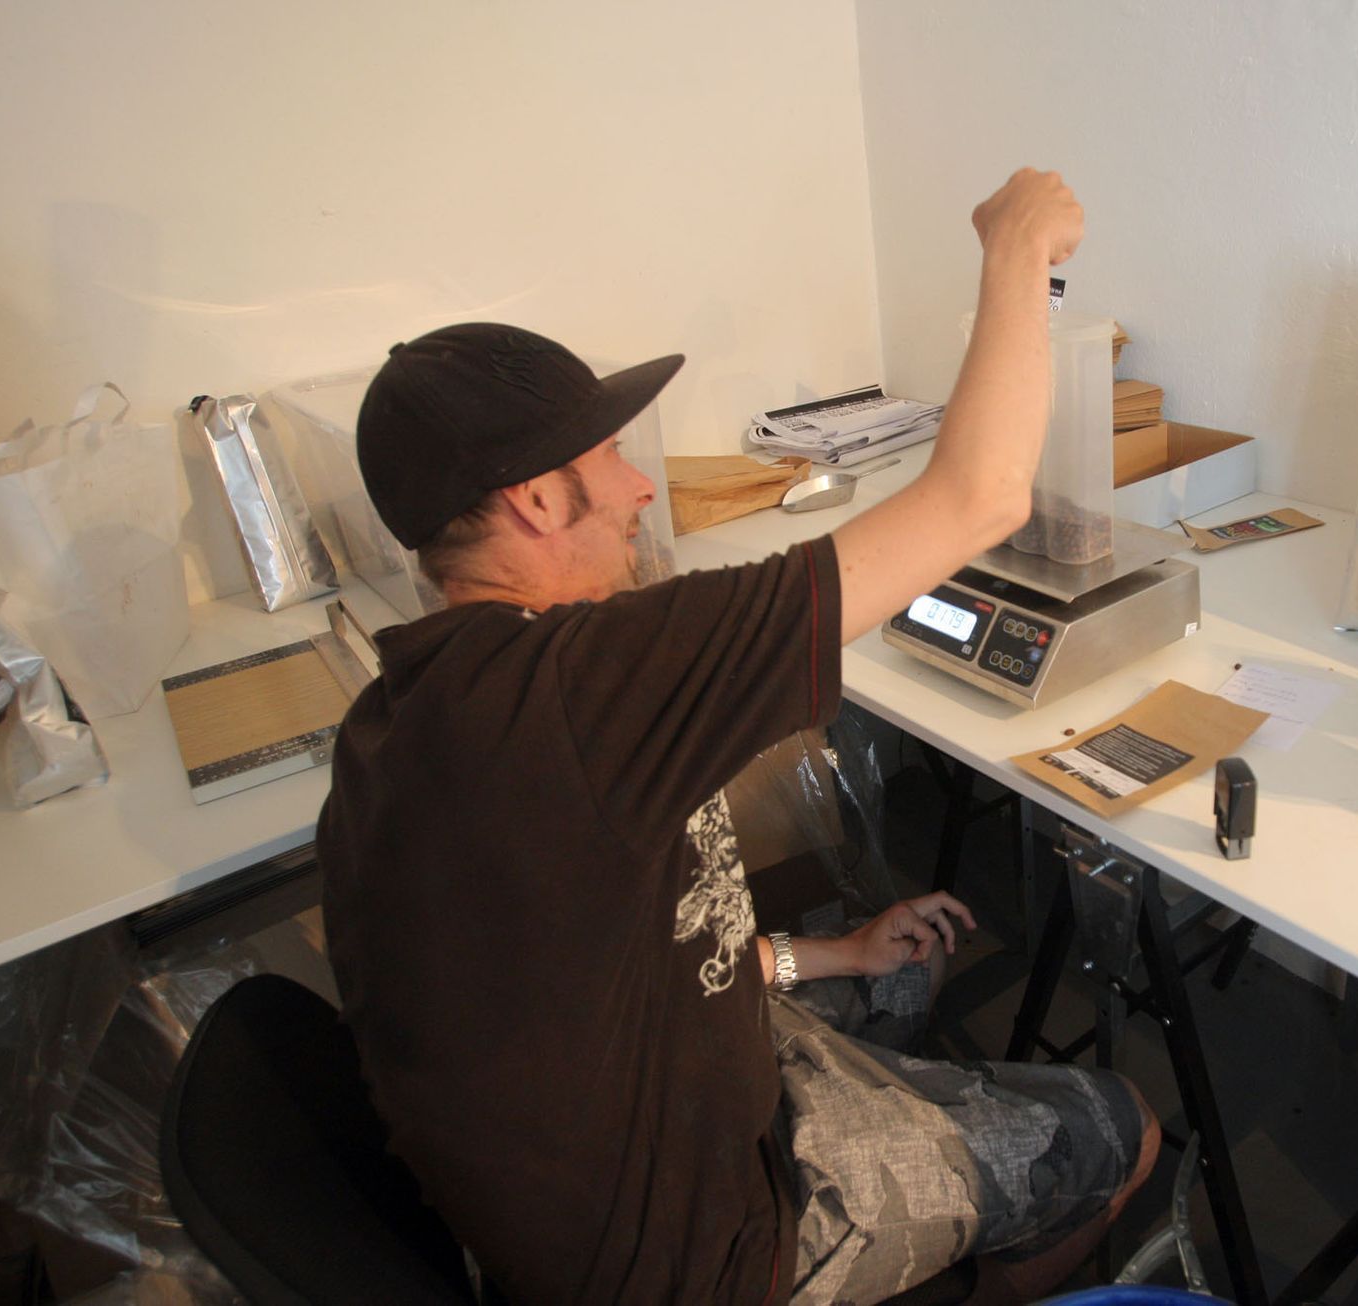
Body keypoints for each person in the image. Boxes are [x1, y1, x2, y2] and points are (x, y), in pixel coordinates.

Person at [317, 167, 1160, 1305]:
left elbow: (620, 964)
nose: (638, 488)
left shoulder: (396, 721)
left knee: (901, 987)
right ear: (535, 501)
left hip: (589, 1196)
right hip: (705, 1258)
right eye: (607, 458)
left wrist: (836, 955)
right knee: (1121, 1126)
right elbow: (980, 496)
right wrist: (1018, 248)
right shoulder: (581, 692)